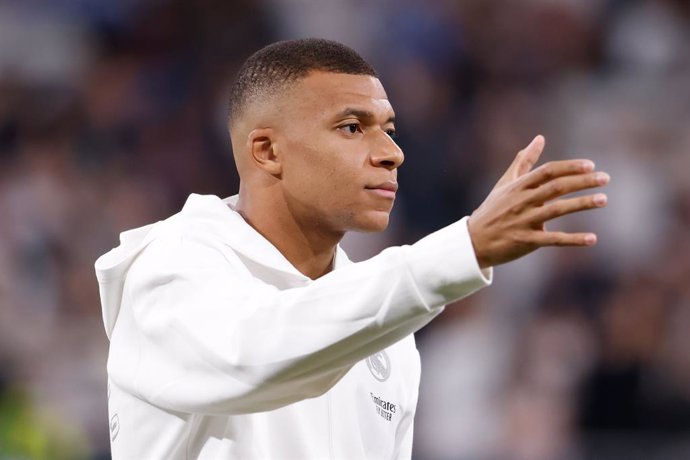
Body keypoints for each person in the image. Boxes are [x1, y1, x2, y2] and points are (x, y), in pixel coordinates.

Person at [95, 38, 609, 459]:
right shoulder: (167, 269)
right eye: (351, 127)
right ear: (267, 151)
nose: (392, 153)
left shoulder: (385, 330)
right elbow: (256, 355)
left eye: (388, 130)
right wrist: (462, 248)